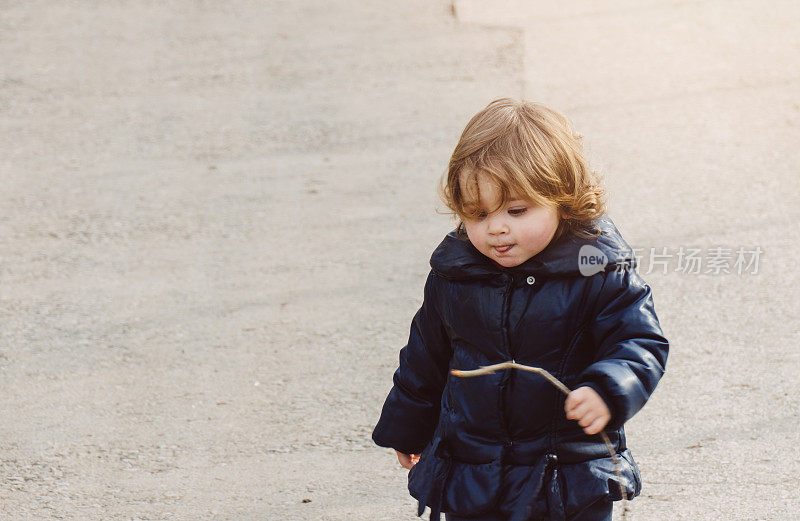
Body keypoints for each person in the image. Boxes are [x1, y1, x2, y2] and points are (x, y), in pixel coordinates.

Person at [371, 98, 669, 521]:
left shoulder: (596, 269)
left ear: (562, 201)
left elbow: (639, 341)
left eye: (516, 211)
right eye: (477, 214)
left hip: (567, 472)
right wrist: (408, 427)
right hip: (474, 469)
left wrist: (608, 388)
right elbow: (425, 359)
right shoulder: (455, 275)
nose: (496, 228)